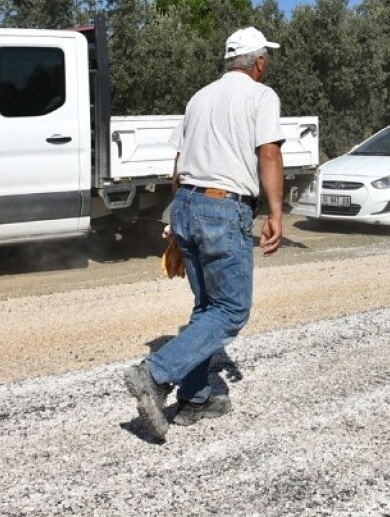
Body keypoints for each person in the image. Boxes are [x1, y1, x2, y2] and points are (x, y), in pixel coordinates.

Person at [122, 26, 286, 438]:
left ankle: (195, 399)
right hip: (222, 207)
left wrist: (176, 219)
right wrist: (276, 214)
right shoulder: (261, 96)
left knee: (206, 308)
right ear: (259, 62)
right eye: (267, 58)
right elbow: (269, 152)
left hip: (186, 204)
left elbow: (179, 164)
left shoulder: (199, 97)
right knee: (231, 311)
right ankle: (155, 376)